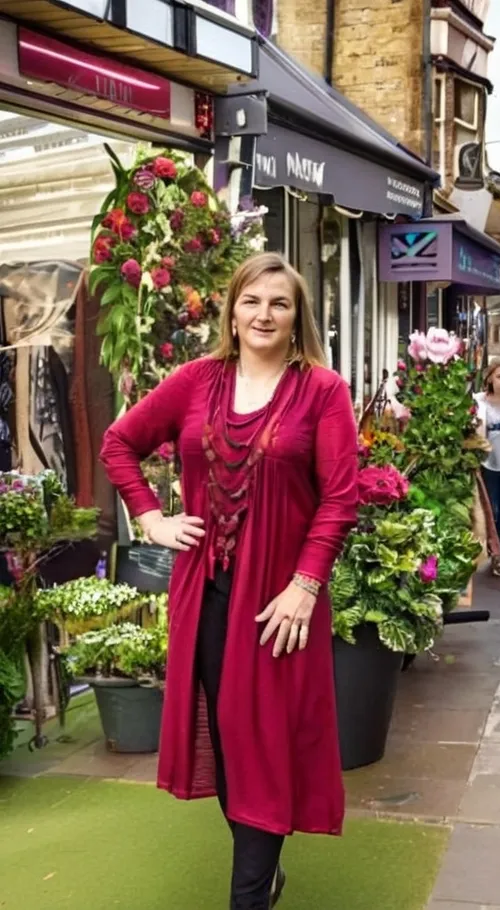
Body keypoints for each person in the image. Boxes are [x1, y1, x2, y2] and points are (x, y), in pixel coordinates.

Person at [100, 252, 359, 909]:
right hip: (204, 590)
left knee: (267, 743)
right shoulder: (195, 381)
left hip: (281, 601)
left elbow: (340, 497)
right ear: (232, 313)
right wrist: (152, 519)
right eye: (252, 301)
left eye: (279, 302)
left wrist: (306, 584)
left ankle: (248, 896)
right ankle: (264, 876)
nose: (264, 313)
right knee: (225, 735)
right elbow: (118, 444)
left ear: (298, 317)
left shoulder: (322, 391)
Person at [475, 357, 500, 574]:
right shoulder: (479, 402)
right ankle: (494, 553)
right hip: (488, 465)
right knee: (493, 512)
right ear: (490, 379)